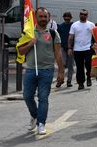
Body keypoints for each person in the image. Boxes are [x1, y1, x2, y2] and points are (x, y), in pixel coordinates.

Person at [18, 7, 64, 135]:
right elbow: (20, 51)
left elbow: (58, 53)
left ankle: (41, 123)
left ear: (49, 18)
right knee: (27, 96)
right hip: (31, 69)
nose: (43, 19)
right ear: (36, 17)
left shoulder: (54, 33)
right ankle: (35, 115)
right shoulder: (28, 33)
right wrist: (30, 43)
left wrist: (61, 71)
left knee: (43, 97)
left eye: (45, 17)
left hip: (47, 70)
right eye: (41, 16)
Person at [68, 9, 96, 90]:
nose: (82, 15)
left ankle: (89, 78)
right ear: (79, 15)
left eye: (84, 14)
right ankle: (81, 83)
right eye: (81, 14)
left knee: (88, 64)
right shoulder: (74, 25)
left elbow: (95, 36)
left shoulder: (91, 25)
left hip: (88, 48)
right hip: (77, 49)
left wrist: (95, 45)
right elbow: (70, 37)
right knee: (79, 67)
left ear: (87, 16)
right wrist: (70, 47)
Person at [56, 12, 74, 87]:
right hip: (63, 48)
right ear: (63, 18)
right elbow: (57, 37)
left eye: (68, 17)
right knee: (62, 65)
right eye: (65, 17)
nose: (67, 19)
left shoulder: (73, 26)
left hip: (71, 49)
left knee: (70, 66)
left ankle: (69, 81)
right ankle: (60, 80)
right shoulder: (60, 26)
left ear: (71, 18)